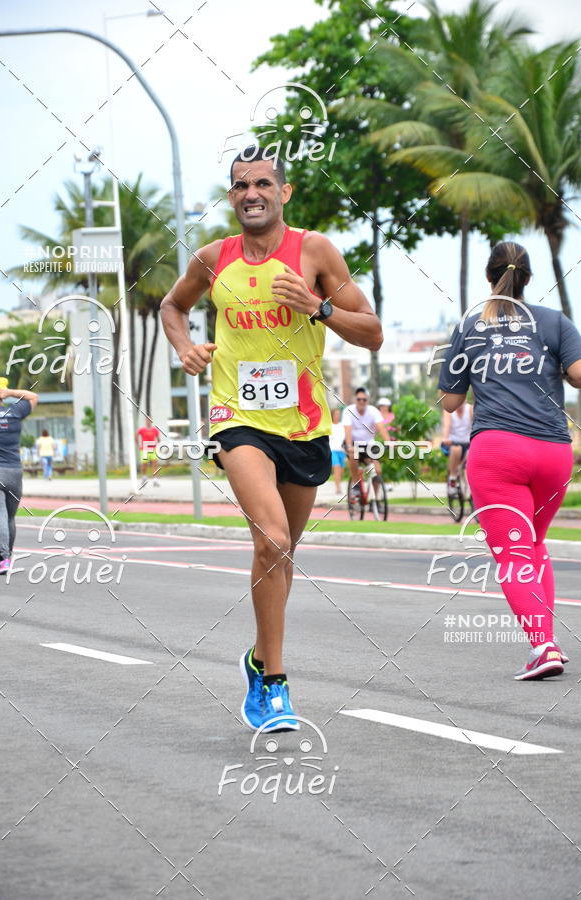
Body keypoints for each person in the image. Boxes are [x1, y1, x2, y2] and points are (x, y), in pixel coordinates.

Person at [160, 146, 382, 731]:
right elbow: (172, 306)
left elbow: (372, 332)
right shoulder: (213, 258)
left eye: (262, 183)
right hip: (237, 418)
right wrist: (184, 347)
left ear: (284, 193)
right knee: (272, 540)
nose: (250, 193)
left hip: (304, 425)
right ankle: (274, 686)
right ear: (231, 196)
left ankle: (258, 658)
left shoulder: (315, 251)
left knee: (282, 555)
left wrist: (318, 306)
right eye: (240, 185)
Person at [438, 241, 581, 681]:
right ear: (528, 278)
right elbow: (580, 375)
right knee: (534, 544)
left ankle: (543, 646)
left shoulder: (470, 325)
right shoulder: (554, 321)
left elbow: (450, 402)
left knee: (512, 553)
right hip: (553, 452)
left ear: (490, 277)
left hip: (498, 452)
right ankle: (546, 640)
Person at [0, 382, 38, 575]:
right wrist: (10, 393)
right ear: (0, 395)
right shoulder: (14, 412)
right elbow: (33, 397)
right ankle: (7, 559)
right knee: (9, 517)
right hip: (14, 472)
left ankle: (4, 559)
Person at [342, 388, 390, 491]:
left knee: (377, 470)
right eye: (359, 399)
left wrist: (388, 442)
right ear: (355, 399)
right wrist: (349, 446)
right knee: (353, 454)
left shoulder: (373, 411)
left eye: (364, 399)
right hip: (353, 443)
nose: (361, 401)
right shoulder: (348, 411)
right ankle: (356, 485)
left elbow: (381, 428)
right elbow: (347, 430)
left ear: (368, 400)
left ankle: (376, 497)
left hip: (369, 444)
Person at [441, 401, 473, 493]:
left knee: (473, 453)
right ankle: (452, 478)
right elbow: (446, 426)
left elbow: (476, 423)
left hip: (468, 444)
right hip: (452, 443)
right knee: (456, 449)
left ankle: (472, 485)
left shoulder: (470, 409)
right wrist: (445, 438)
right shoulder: (449, 410)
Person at [136, 416, 161, 487]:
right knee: (144, 464)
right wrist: (138, 445)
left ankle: (155, 480)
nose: (149, 422)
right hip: (145, 449)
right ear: (145, 421)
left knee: (155, 463)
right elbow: (136, 435)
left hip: (153, 449)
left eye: (150, 420)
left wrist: (158, 444)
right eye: (147, 420)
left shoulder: (155, 430)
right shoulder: (142, 429)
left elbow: (158, 439)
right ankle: (144, 477)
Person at [329, 408, 346, 494]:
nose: (337, 416)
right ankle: (338, 488)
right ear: (332, 415)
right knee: (337, 467)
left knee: (341, 471)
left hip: (342, 451)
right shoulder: (329, 426)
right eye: (336, 414)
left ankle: (338, 483)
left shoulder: (342, 426)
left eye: (339, 414)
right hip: (333, 450)